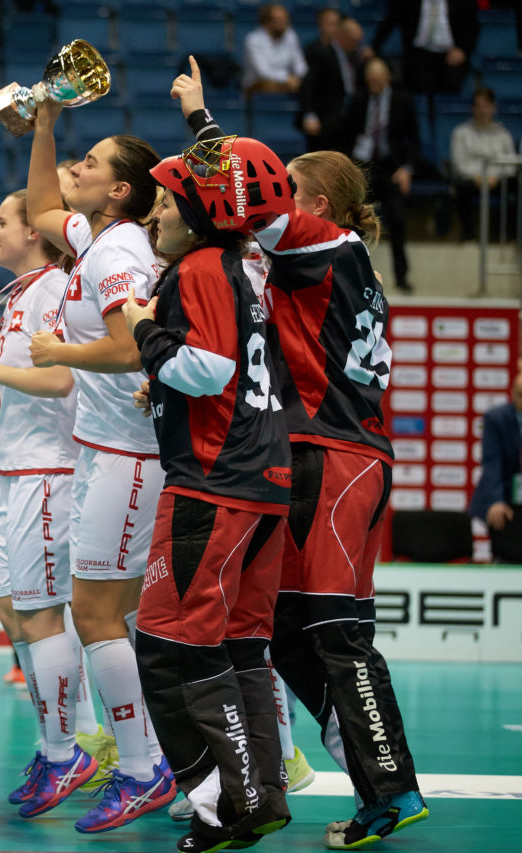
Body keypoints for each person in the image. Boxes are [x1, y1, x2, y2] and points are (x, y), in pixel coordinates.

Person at [172, 56, 428, 850]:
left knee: (335, 630)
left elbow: (250, 196)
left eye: (287, 185)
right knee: (283, 626)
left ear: (312, 201)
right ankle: (365, 763)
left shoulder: (329, 241)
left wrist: (200, 123)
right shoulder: (335, 260)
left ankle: (390, 788)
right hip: (328, 457)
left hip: (335, 457)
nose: (269, 198)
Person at [123, 139, 294, 853]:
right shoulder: (244, 267)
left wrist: (142, 330)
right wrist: (162, 380)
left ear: (195, 212)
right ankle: (261, 796)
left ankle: (222, 798)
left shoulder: (198, 267)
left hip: (210, 487)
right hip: (262, 484)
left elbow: (206, 367)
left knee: (168, 644)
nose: (155, 213)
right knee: (243, 646)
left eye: (165, 202)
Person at [22, 100, 175, 832]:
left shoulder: (118, 254)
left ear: (120, 189)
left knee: (96, 614)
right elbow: (41, 204)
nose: (75, 167)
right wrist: (45, 125)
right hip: (106, 451)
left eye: (91, 161)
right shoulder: (98, 235)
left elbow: (130, 347)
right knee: (111, 616)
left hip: (129, 457)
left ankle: (144, 769)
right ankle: (148, 758)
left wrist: (60, 355)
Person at [0, 188, 87, 810]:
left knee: (45, 615)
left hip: (52, 470)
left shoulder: (52, 290)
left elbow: (58, 377)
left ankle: (65, 751)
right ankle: (56, 748)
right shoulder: (22, 292)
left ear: (34, 233)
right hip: (23, 468)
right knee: (22, 613)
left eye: (2, 222)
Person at [345, 57, 419, 292]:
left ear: (387, 78)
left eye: (378, 79)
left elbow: (414, 139)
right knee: (353, 222)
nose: (375, 84)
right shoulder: (359, 100)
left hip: (391, 167)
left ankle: (401, 277)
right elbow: (347, 134)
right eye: (371, 80)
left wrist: (407, 168)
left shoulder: (402, 100)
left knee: (397, 220)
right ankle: (354, 275)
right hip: (362, 167)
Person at [371, 0, 479, 95]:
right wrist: (373, 47)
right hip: (418, 54)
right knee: (414, 77)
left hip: (450, 54)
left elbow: (472, 26)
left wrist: (463, 51)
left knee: (453, 77)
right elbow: (390, 20)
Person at [451, 87, 517, 241]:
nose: (482, 110)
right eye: (478, 106)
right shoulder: (461, 132)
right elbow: (458, 163)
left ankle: (510, 236)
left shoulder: (503, 135)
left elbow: (512, 165)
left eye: (486, 106)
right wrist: (478, 177)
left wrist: (495, 177)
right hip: (473, 180)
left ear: (493, 108)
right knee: (459, 187)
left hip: (498, 181)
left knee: (516, 186)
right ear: (472, 108)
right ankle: (468, 235)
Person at [469, 371, 522, 562]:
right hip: (502, 494)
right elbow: (492, 462)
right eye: (519, 394)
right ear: (512, 393)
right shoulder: (496, 418)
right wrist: (495, 500)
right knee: (504, 549)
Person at [300, 16, 365, 152]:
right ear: (342, 37)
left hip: (347, 120)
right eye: (354, 41)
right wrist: (309, 114)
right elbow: (307, 85)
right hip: (325, 119)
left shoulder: (354, 57)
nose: (356, 45)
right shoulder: (322, 54)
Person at [242, 3, 308, 95]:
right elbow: (263, 72)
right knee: (270, 85)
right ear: (267, 23)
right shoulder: (253, 40)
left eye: (286, 19)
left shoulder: (290, 35)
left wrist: (297, 78)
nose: (285, 24)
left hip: (289, 83)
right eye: (280, 20)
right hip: (257, 84)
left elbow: (301, 66)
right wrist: (287, 78)